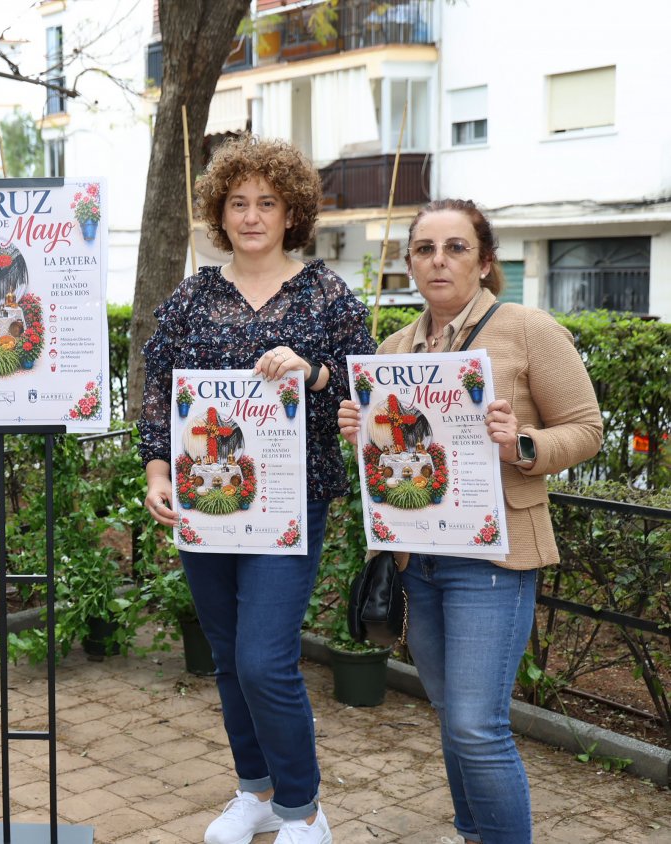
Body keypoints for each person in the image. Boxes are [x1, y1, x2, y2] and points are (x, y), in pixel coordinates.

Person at [338, 199, 602, 843]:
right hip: (417, 560)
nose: (439, 260)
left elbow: (586, 429)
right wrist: (361, 434)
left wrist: (522, 444)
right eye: (425, 249)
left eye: (456, 247)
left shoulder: (527, 329)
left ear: (484, 262)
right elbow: (397, 456)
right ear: (410, 264)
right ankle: (472, 832)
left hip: (494, 561)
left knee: (475, 726)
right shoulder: (393, 350)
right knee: (450, 713)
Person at [139, 135, 375, 844]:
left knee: (264, 659)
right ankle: (257, 792)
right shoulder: (191, 298)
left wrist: (315, 372)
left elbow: (365, 391)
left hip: (291, 503)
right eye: (238, 203)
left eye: (266, 203)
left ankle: (304, 810)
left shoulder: (327, 295)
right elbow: (158, 393)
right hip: (205, 501)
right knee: (226, 656)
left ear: (291, 212)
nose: (250, 216)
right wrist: (158, 473)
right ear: (220, 213)